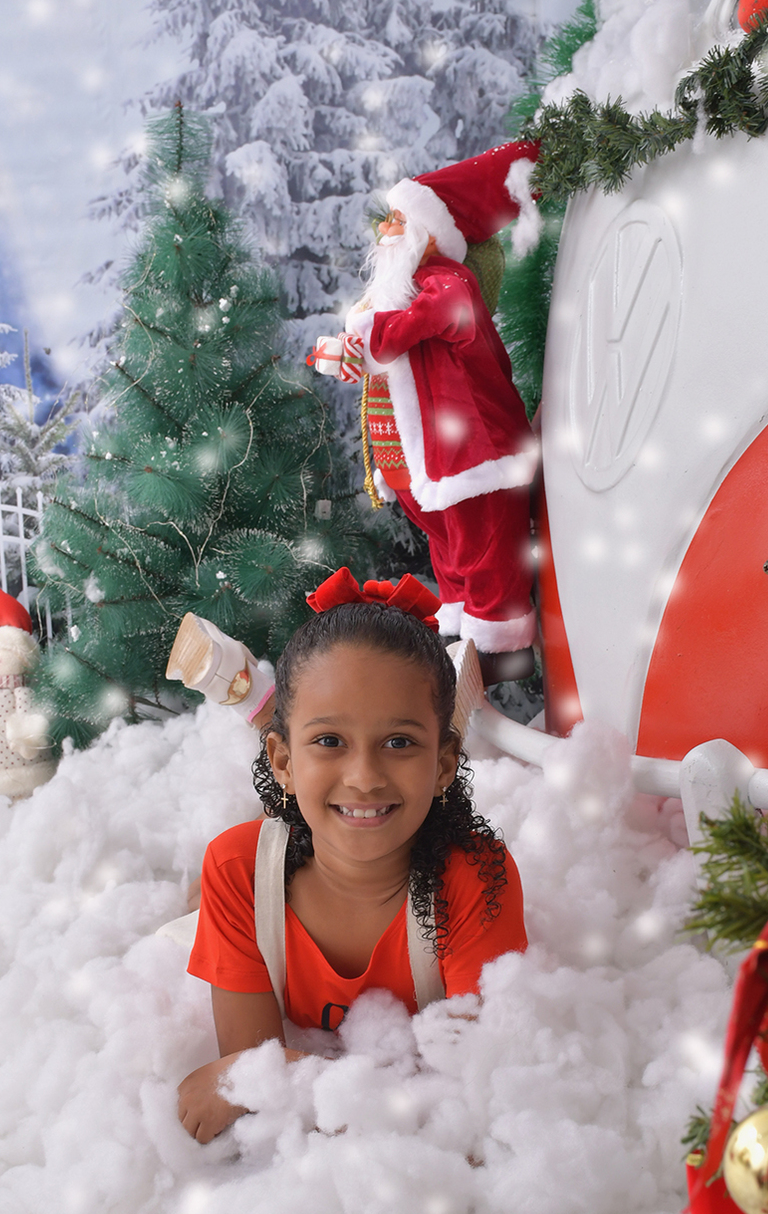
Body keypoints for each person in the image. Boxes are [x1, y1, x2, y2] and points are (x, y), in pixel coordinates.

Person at [177, 567, 528, 1142]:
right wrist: (264, 1076)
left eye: (399, 742)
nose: (364, 777)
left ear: (444, 763)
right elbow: (259, 1092)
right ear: (282, 762)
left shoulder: (476, 878)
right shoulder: (239, 872)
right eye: (329, 741)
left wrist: (270, 1074)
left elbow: (473, 1104)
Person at [325, 140, 542, 685]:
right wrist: (348, 352)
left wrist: (372, 335)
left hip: (470, 455)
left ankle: (499, 651)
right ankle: (460, 639)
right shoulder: (396, 296)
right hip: (419, 466)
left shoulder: (446, 281)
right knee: (451, 553)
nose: (385, 230)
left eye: (399, 220)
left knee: (485, 550)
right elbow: (384, 353)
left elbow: (440, 315)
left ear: (429, 232)